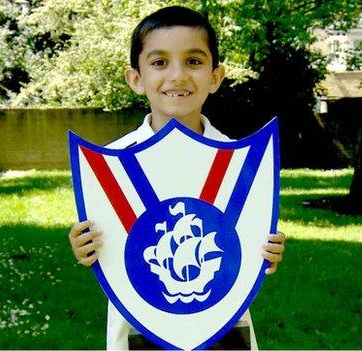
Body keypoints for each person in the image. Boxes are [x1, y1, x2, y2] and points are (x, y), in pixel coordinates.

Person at [68, 5, 285, 350]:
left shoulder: (240, 160)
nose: (178, 75)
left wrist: (266, 252)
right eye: (159, 62)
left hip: (224, 329)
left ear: (216, 76)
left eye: (194, 61)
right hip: (140, 329)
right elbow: (107, 245)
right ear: (135, 78)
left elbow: (245, 243)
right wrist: (85, 247)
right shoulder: (112, 165)